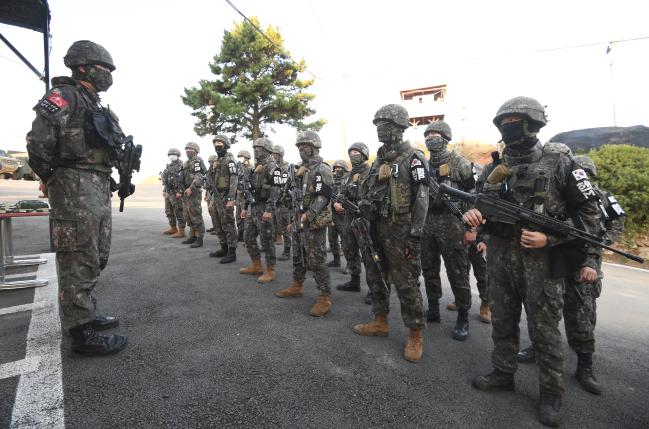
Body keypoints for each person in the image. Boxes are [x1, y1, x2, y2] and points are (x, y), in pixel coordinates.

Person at [464, 96, 601, 427]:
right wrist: (473, 221)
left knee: (544, 331)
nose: (509, 128)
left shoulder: (562, 162)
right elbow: (482, 207)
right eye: (504, 122)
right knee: (503, 320)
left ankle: (551, 392)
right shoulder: (493, 167)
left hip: (542, 261)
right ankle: (503, 371)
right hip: (499, 256)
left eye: (517, 121)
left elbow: (591, 214)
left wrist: (551, 238)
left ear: (535, 123)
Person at [27, 40, 128, 355]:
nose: (108, 74)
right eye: (103, 68)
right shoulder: (63, 96)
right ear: (83, 66)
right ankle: (81, 335)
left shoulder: (94, 103)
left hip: (97, 186)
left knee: (96, 257)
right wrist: (52, 177)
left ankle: (87, 313)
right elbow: (38, 144)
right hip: (73, 187)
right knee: (77, 257)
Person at [517, 154, 625, 396]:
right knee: (545, 311)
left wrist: (591, 260)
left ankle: (585, 365)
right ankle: (539, 348)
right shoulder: (556, 196)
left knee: (581, 317)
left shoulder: (602, 199)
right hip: (555, 260)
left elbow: (608, 228)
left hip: (583, 265)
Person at [353, 104, 429, 363]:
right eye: (377, 125)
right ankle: (380, 320)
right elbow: (369, 192)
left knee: (406, 282)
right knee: (375, 276)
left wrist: (416, 234)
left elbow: (422, 196)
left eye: (384, 124)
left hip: (401, 229)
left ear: (398, 127)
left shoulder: (414, 158)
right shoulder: (378, 161)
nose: (379, 129)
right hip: (376, 228)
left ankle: (415, 333)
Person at [420, 120, 475, 341]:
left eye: (435, 134)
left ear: (445, 137)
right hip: (427, 221)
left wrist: (470, 227)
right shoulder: (422, 165)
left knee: (457, 272)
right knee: (429, 268)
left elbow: (474, 194)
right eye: (427, 134)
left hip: (453, 222)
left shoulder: (460, 162)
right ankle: (433, 309)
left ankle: (463, 317)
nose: (430, 138)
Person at [275, 131, 335, 317]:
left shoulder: (322, 169)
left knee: (316, 260)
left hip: (314, 221)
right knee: (298, 255)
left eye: (305, 145)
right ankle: (297, 285)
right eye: (299, 146)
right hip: (298, 219)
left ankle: (325, 296)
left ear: (315, 147)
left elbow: (323, 197)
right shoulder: (298, 170)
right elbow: (292, 195)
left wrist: (308, 215)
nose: (301, 149)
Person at [335, 142, 374, 305]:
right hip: (348, 218)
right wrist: (337, 203)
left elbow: (374, 195)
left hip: (364, 218)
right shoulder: (348, 175)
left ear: (364, 154)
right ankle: (354, 280)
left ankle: (375, 289)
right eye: (351, 152)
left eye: (356, 152)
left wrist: (361, 205)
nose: (353, 155)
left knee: (369, 254)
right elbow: (340, 193)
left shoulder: (372, 172)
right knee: (349, 249)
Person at [239, 138, 281, 283]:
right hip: (254, 206)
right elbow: (250, 189)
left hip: (265, 207)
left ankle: (270, 270)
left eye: (259, 148)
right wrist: (245, 207)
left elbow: (277, 189)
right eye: (255, 147)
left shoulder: (271, 166)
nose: (256, 150)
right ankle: (256, 265)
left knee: (267, 240)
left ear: (267, 150)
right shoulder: (255, 166)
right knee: (248, 237)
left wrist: (269, 209)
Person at [206, 134, 239, 263]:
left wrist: (231, 198)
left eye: (219, 143)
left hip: (225, 196)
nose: (216, 145)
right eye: (215, 143)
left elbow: (234, 179)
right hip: (216, 196)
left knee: (228, 224)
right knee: (217, 223)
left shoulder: (230, 159)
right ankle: (223, 248)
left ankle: (231, 252)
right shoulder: (216, 160)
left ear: (225, 144)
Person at [180, 142, 206, 248]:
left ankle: (199, 238)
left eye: (190, 149)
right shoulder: (186, 163)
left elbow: (199, 175)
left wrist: (191, 187)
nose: (188, 151)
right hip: (186, 192)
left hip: (194, 191)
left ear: (195, 150)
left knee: (195, 215)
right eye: (186, 149)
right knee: (187, 215)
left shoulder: (197, 160)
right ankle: (192, 235)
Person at [327, 159, 349, 268]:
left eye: (339, 168)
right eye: (335, 168)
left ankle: (350, 264)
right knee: (332, 239)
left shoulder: (348, 180)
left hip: (344, 215)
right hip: (332, 215)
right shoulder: (332, 180)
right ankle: (336, 260)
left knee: (346, 241)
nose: (337, 170)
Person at [271, 144, 292, 261]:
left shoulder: (286, 168)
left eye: (275, 154)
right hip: (276, 202)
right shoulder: (274, 168)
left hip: (284, 202)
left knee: (285, 228)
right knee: (278, 225)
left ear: (280, 155)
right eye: (272, 154)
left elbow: (283, 185)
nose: (273, 156)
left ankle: (287, 251)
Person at [162, 148, 186, 238]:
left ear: (178, 155)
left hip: (177, 192)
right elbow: (166, 180)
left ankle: (181, 231)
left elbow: (183, 180)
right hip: (169, 192)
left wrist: (180, 191)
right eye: (170, 154)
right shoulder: (168, 166)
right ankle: (173, 228)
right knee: (168, 211)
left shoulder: (182, 166)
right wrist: (164, 191)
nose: (171, 156)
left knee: (179, 211)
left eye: (173, 154)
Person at [236, 150, 252, 242]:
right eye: (239, 157)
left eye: (241, 156)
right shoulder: (239, 167)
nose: (240, 158)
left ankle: (247, 236)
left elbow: (248, 182)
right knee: (238, 216)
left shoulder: (250, 168)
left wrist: (241, 187)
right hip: (238, 197)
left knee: (245, 217)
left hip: (246, 196)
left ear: (246, 158)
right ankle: (240, 234)